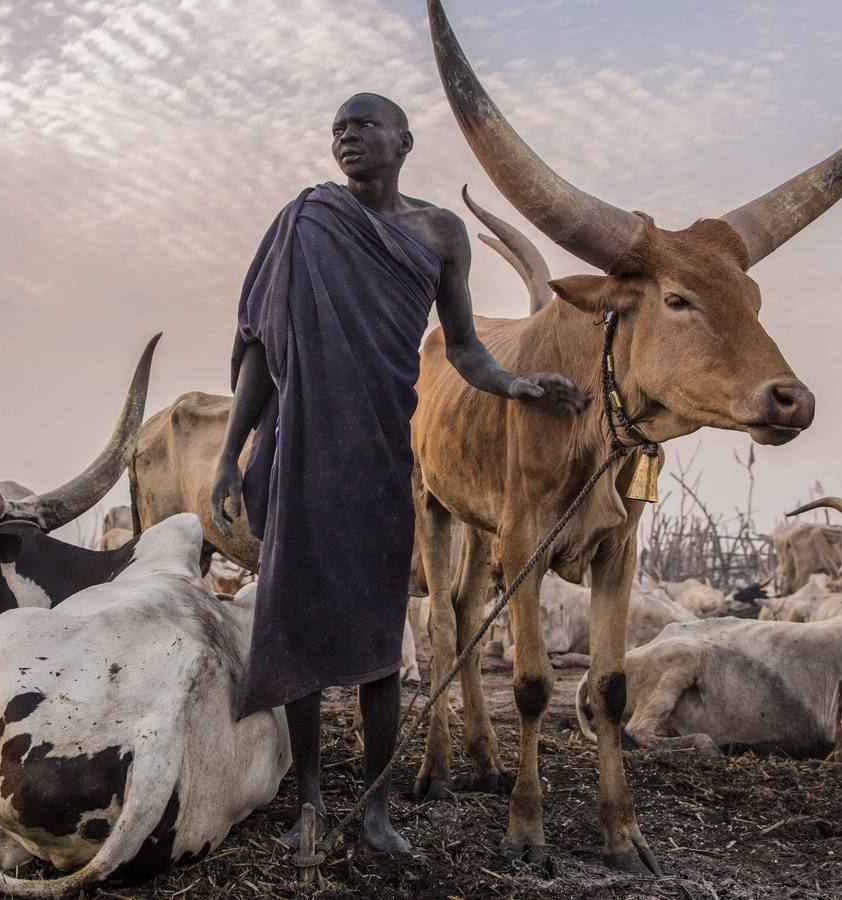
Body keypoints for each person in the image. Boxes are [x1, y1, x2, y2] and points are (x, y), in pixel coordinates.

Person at [210, 93, 584, 854]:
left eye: (363, 126)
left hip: (382, 450)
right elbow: (259, 348)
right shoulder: (307, 221)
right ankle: (310, 802)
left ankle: (376, 813)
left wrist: (517, 384)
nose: (347, 138)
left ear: (403, 141)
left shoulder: (440, 233)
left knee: (382, 641)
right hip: (302, 445)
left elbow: (466, 346)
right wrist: (231, 449)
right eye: (338, 128)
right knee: (300, 630)